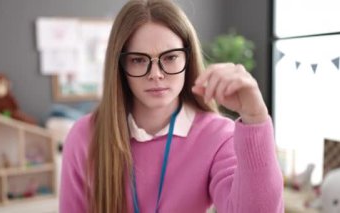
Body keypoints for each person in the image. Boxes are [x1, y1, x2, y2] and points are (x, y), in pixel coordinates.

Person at [59, 0, 284, 212]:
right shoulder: (84, 136)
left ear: (188, 58)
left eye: (170, 57)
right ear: (120, 66)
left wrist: (255, 118)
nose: (156, 74)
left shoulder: (218, 135)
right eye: (138, 60)